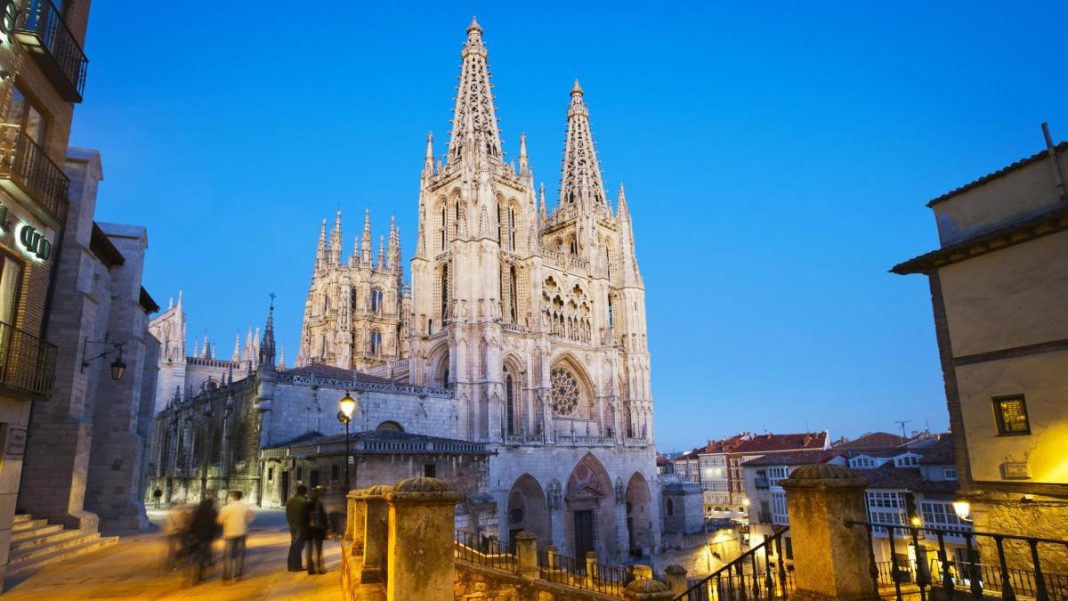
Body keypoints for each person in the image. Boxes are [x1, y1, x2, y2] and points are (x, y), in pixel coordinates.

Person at [216, 490, 254, 582]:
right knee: (240, 555)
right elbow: (250, 520)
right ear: (240, 497)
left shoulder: (226, 508)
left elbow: (219, 521)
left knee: (228, 555)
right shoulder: (245, 508)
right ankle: (237, 575)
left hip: (229, 533)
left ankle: (227, 575)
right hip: (241, 533)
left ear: (232, 497)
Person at [189, 497, 219, 584]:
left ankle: (193, 567)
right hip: (207, 536)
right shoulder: (213, 512)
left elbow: (193, 522)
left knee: (197, 553)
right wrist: (214, 534)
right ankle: (200, 573)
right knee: (204, 553)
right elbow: (215, 525)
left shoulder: (198, 511)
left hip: (197, 535)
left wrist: (192, 532)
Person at [305, 486, 329, 574]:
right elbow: (323, 518)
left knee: (309, 550)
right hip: (318, 530)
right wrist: (326, 529)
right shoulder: (319, 504)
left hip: (309, 530)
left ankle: (310, 569)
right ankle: (319, 568)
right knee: (318, 551)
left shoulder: (306, 505)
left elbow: (304, 518)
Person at [285, 485, 309, 572]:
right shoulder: (303, 502)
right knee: (298, 546)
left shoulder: (290, 501)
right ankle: (296, 566)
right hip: (300, 526)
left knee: (293, 545)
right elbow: (306, 516)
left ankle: (290, 564)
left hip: (292, 525)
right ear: (305, 492)